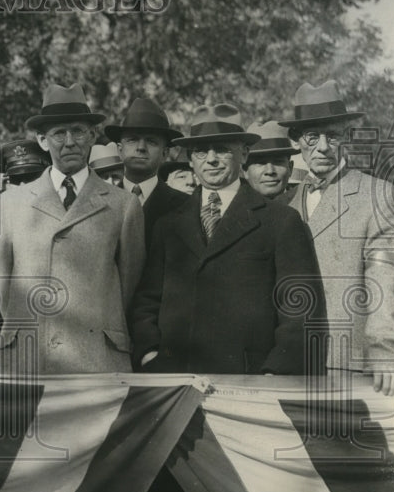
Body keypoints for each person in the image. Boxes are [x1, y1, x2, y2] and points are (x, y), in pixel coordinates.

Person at [129, 103, 326, 375]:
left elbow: (302, 312)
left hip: (248, 385)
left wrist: (274, 373)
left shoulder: (281, 222)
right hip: (174, 381)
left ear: (244, 154)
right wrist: (149, 353)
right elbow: (146, 301)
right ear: (189, 160)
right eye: (200, 151)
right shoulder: (168, 224)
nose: (210, 159)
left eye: (222, 149)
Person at [0, 84, 146, 375]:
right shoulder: (12, 203)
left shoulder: (123, 205)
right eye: (58, 133)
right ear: (41, 140)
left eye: (77, 131)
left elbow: (128, 284)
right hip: (29, 353)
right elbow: (3, 287)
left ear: (92, 136)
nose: (69, 141)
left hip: (96, 357)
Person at [281, 80, 394, 395]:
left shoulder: (378, 195)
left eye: (332, 136)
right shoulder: (282, 203)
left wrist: (384, 348)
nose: (322, 146)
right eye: (311, 137)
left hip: (347, 361)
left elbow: (384, 277)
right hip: (286, 364)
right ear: (296, 142)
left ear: (346, 139)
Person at [105, 97, 190, 247]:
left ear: (164, 153)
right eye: (132, 140)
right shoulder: (101, 202)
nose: (141, 147)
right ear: (120, 150)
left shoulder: (185, 205)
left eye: (151, 141)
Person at [241, 120, 298, 200]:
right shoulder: (232, 208)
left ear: (290, 168)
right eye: (261, 163)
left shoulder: (305, 201)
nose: (270, 171)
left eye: (278, 162)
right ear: (245, 171)